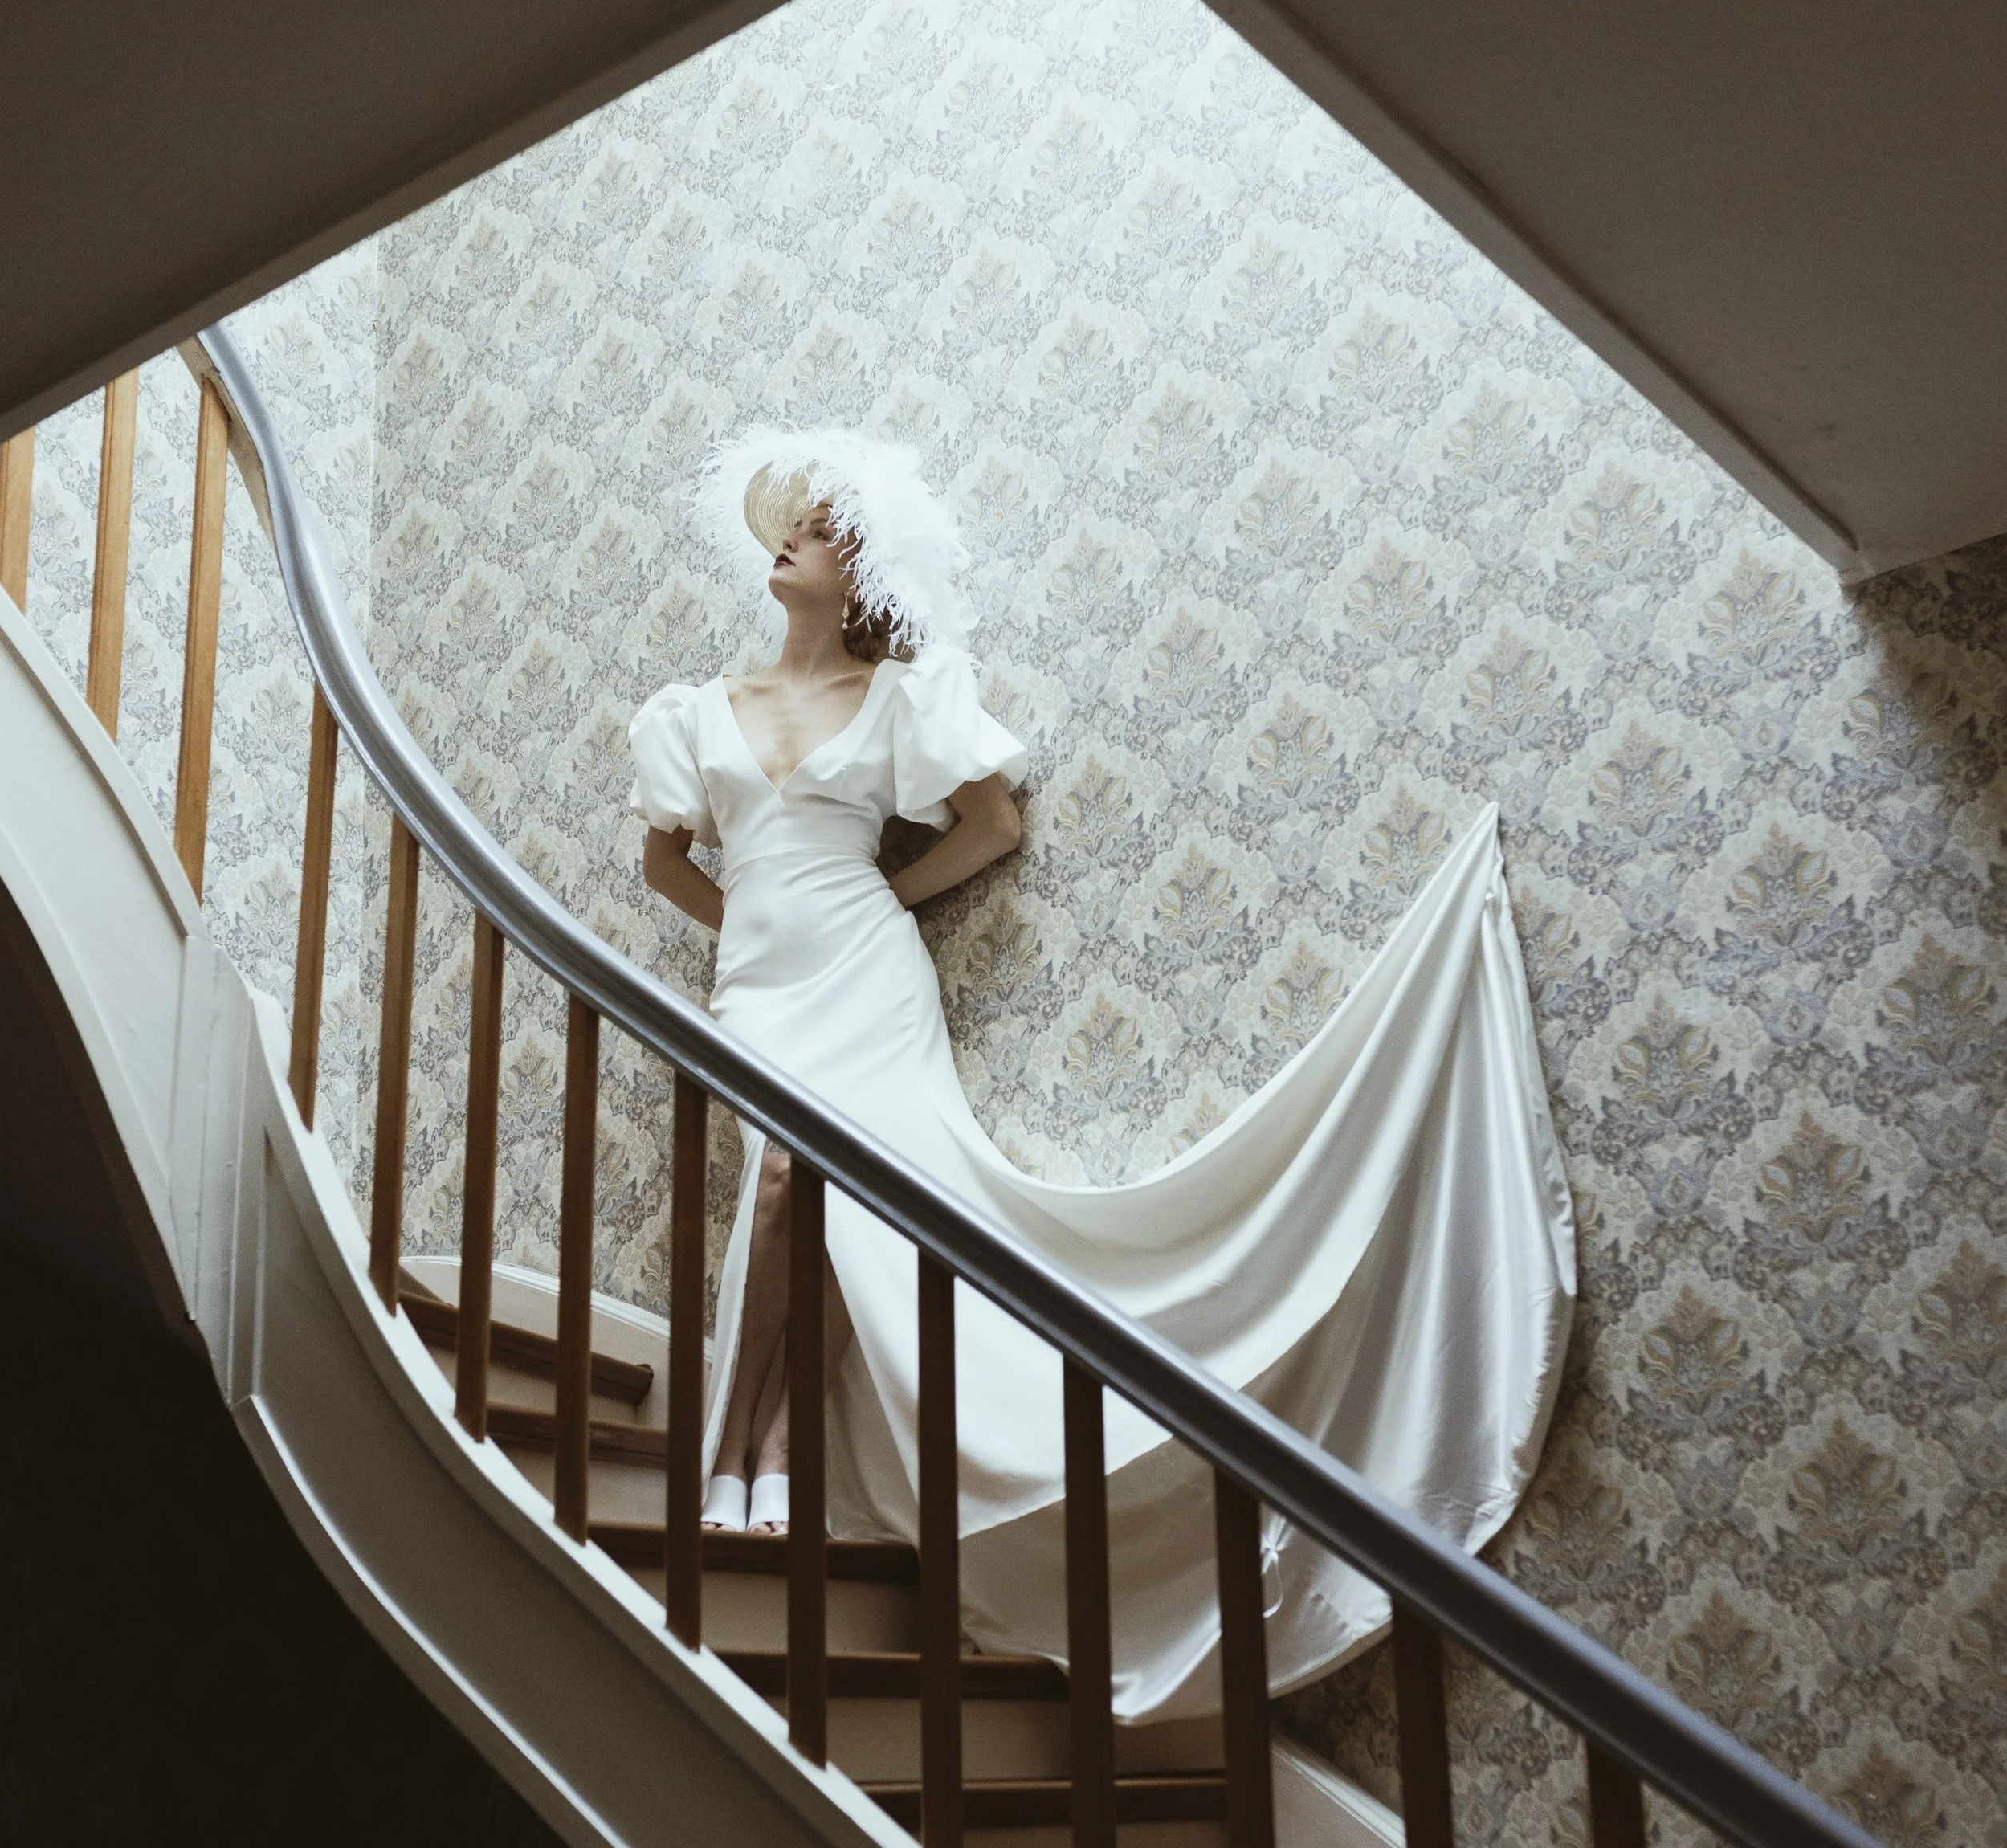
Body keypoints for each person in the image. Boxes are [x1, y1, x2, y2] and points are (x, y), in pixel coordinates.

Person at [634, 431, 1575, 1719]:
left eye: (825, 527)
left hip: (869, 983)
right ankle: (728, 1452)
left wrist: (878, 908)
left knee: (854, 1208)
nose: (794, 537)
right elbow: (664, 864)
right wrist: (749, 929)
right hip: (760, 994)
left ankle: (780, 1453)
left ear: (862, 572)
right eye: (791, 521)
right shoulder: (702, 709)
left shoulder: (899, 695)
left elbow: (993, 824)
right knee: (784, 1186)